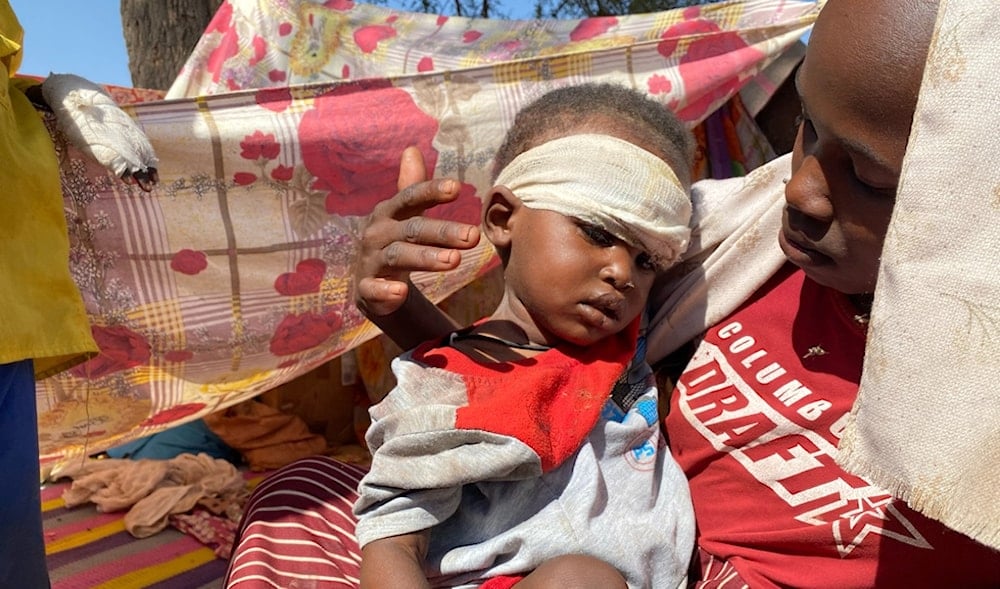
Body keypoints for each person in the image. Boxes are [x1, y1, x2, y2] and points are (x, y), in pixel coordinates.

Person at [224, 1, 1000, 587]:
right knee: (299, 492)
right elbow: (537, 379)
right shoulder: (731, 245)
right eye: (806, 130)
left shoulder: (975, 400)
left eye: (866, 176)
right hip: (544, 543)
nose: (799, 190)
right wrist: (404, 315)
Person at [355, 84, 697, 589]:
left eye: (648, 259)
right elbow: (393, 540)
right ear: (501, 219)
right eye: (598, 231)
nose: (624, 271)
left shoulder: (627, 348)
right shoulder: (448, 393)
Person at [1, 2, 157, 586]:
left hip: (10, 320)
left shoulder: (16, 103)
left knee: (12, 531)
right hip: (13, 314)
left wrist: (57, 95)